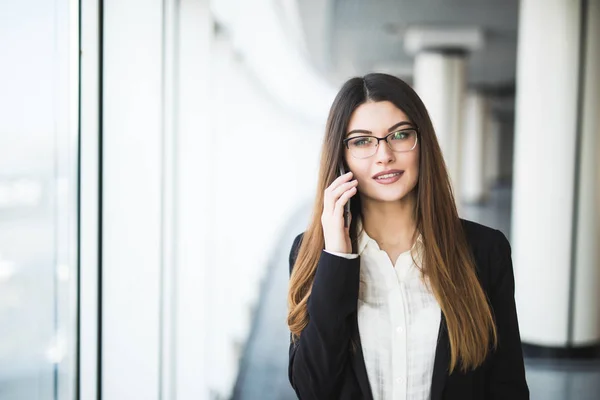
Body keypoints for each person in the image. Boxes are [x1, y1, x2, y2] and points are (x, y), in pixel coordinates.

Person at [286, 73, 529, 400]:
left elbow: (507, 386)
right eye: (362, 141)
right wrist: (338, 260)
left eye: (399, 135)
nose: (384, 155)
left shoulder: (485, 251)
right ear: (341, 157)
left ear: (422, 142)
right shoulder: (313, 253)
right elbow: (313, 389)